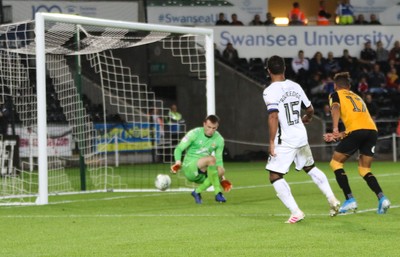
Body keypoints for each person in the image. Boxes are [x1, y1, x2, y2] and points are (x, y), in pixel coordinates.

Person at [263, 55, 341, 224]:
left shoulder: (269, 91)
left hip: (285, 139)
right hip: (300, 135)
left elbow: (273, 116)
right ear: (285, 68)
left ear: (268, 71)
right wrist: (306, 118)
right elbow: (310, 109)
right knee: (310, 167)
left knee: (275, 175)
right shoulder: (295, 86)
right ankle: (332, 198)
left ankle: (296, 212)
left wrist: (271, 141)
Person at [323, 72, 391, 214]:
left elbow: (335, 108)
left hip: (356, 131)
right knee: (364, 169)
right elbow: (358, 126)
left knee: (336, 163)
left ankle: (350, 200)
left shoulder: (335, 95)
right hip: (372, 130)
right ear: (349, 86)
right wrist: (339, 135)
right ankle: (382, 198)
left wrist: (335, 129)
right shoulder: (358, 97)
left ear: (335, 86)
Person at [170, 115, 231, 204]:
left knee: (221, 171)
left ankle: (197, 191)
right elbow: (178, 149)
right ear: (204, 124)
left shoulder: (219, 139)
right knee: (211, 159)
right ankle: (218, 193)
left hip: (203, 172)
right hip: (189, 167)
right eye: (209, 127)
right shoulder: (194, 133)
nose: (211, 130)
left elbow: (219, 160)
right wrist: (178, 162)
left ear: (217, 127)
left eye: (214, 128)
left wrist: (222, 178)